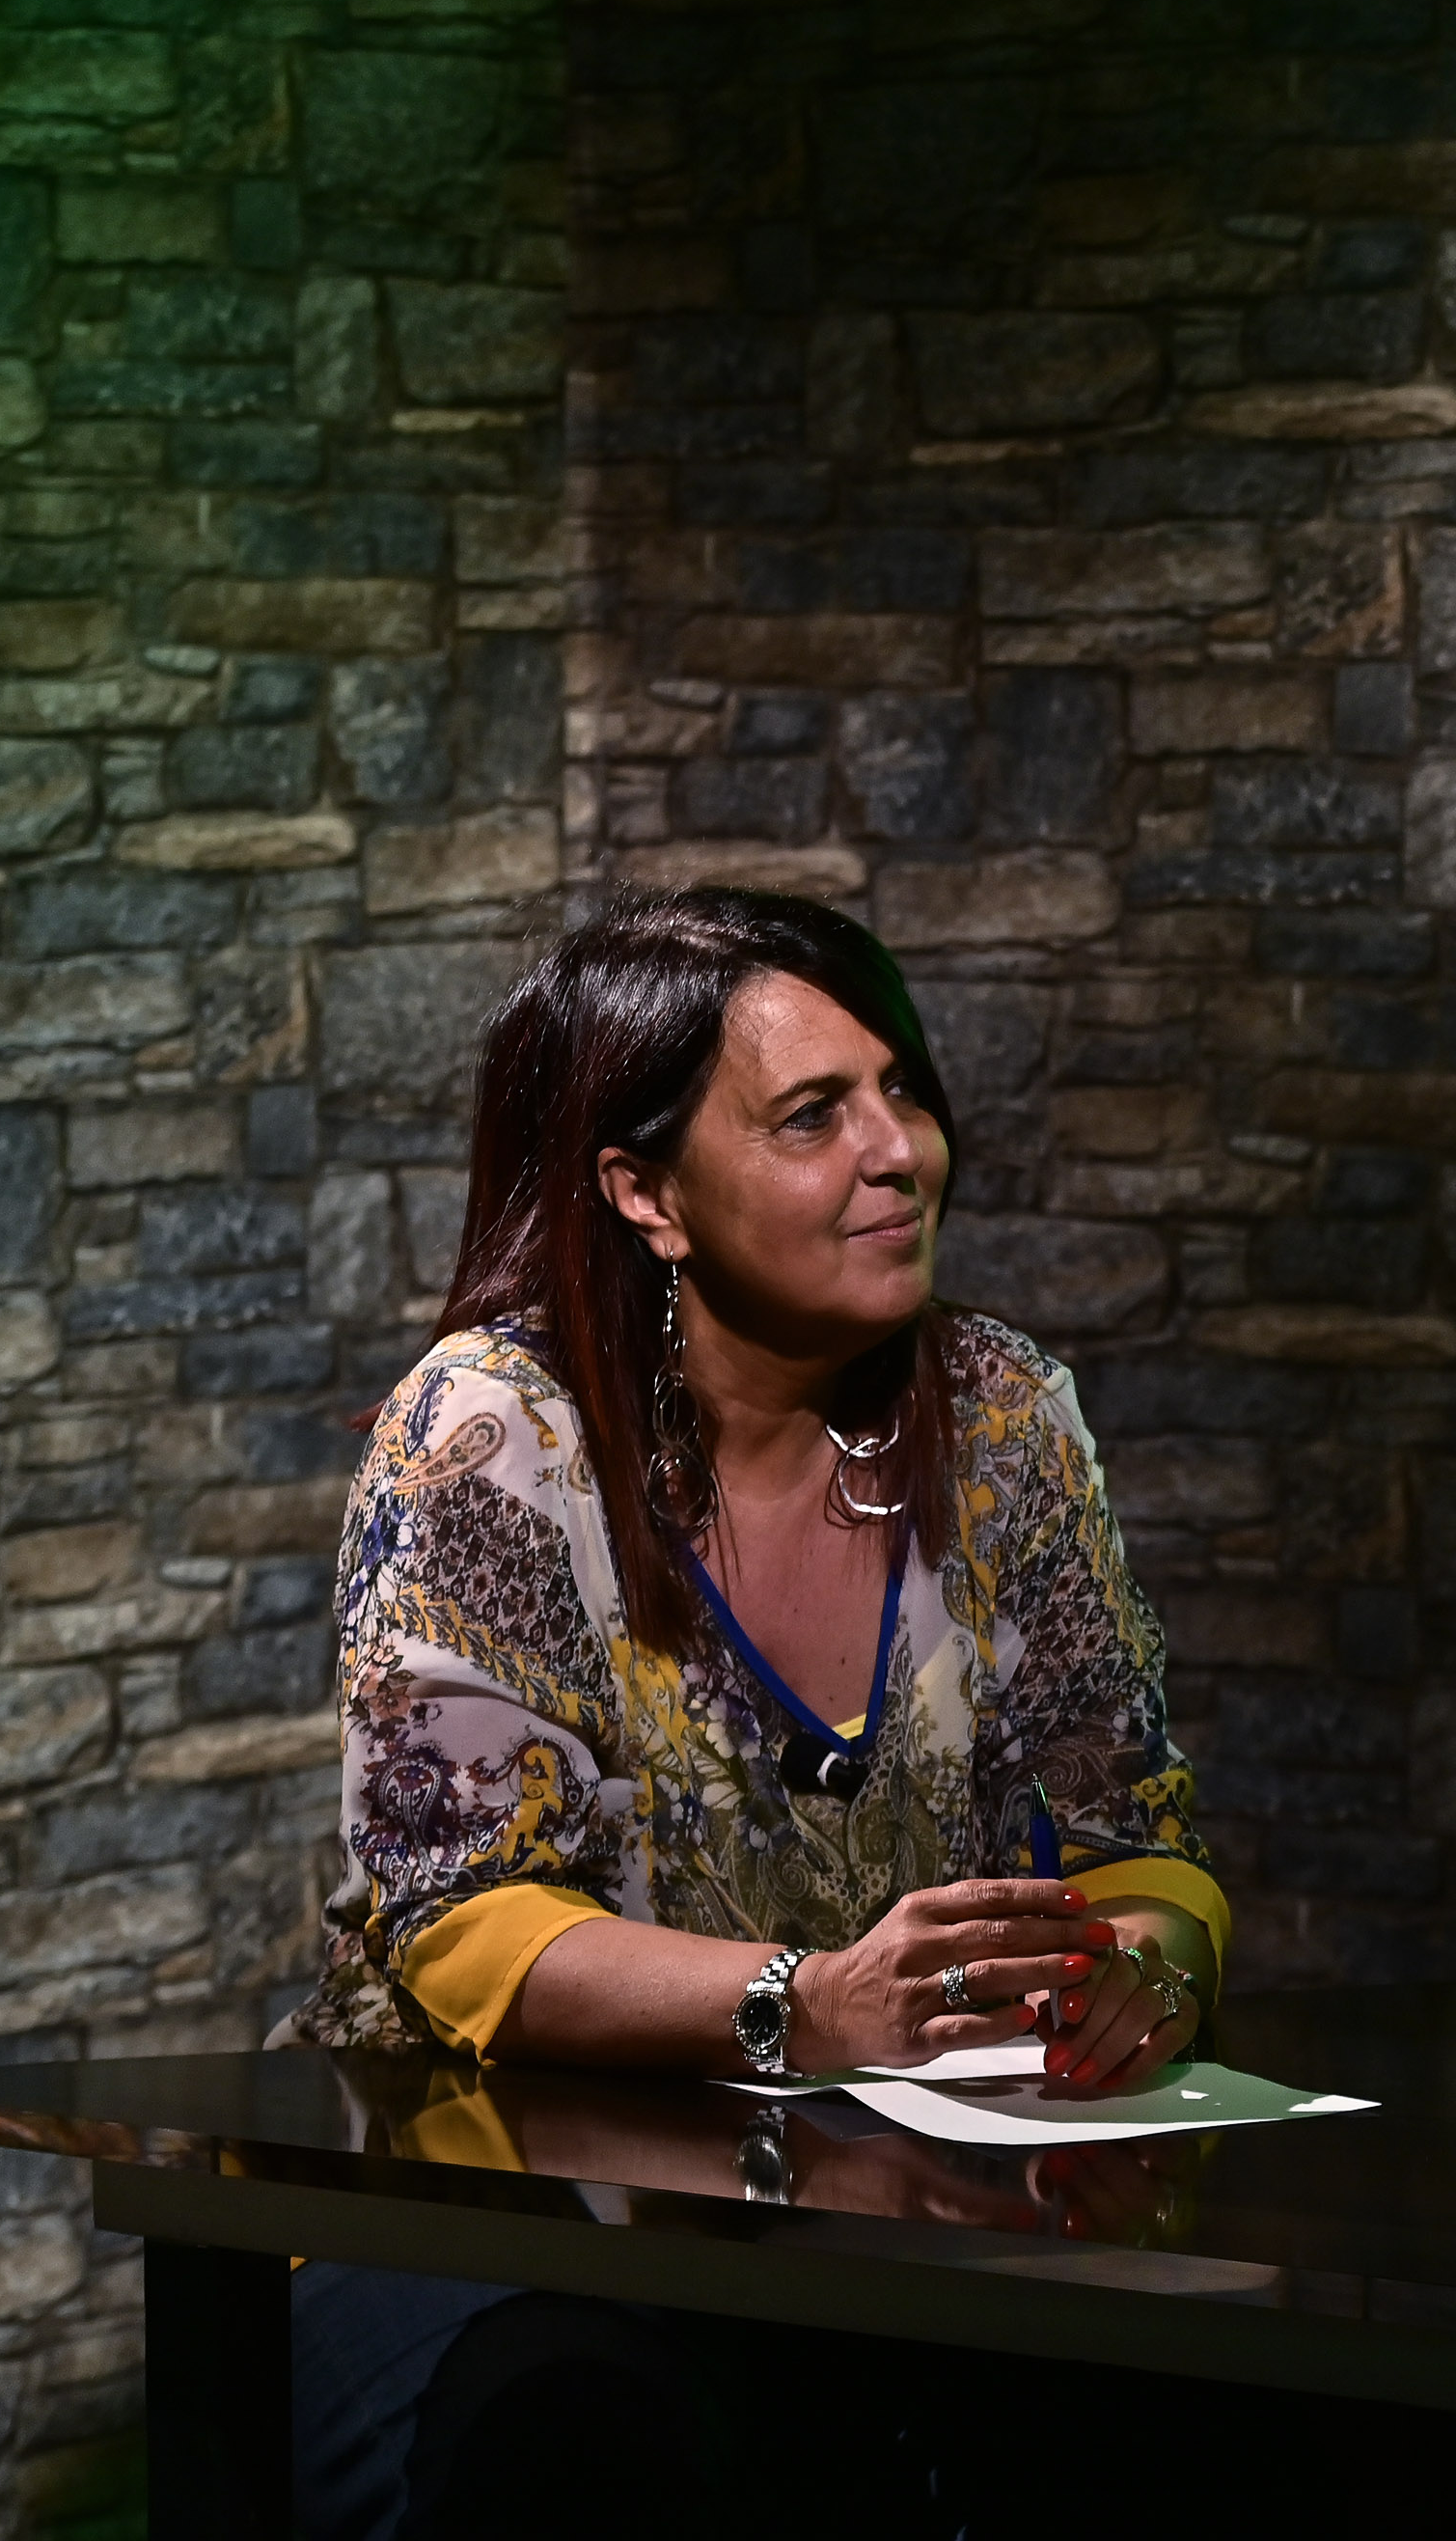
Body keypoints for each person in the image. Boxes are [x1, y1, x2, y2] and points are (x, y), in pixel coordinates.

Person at [287, 886, 1224, 2091]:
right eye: (811, 1115)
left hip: (865, 2159)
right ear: (648, 1194)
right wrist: (809, 2005)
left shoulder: (1000, 1413)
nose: (899, 1151)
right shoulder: (492, 1432)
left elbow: (1128, 1826)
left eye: (901, 1090)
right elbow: (461, 1912)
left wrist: (1141, 1967)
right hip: (480, 2153)